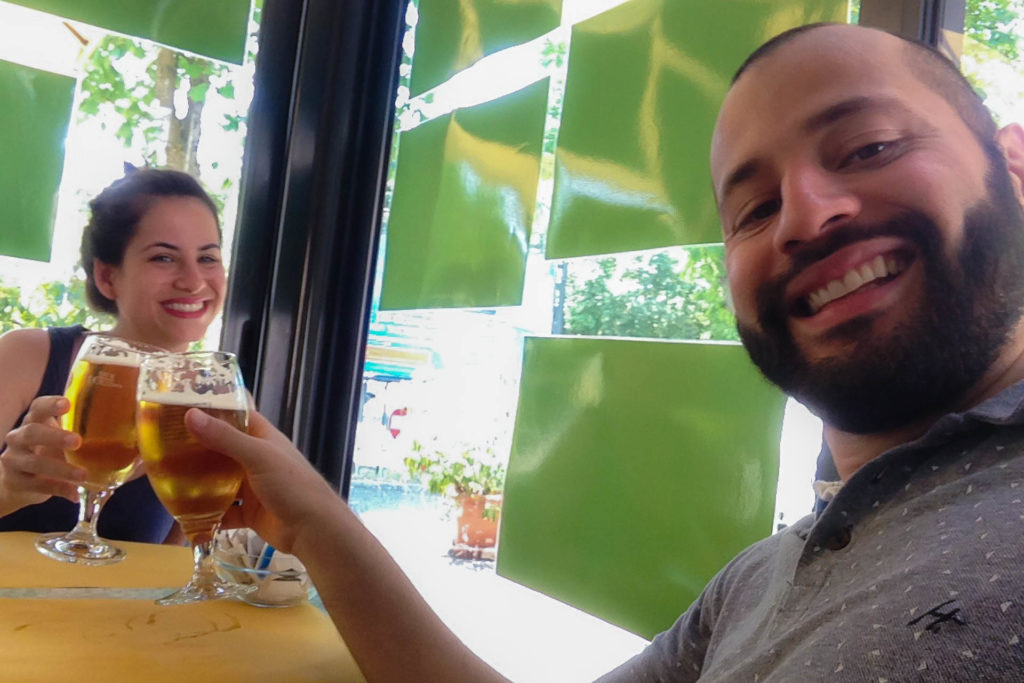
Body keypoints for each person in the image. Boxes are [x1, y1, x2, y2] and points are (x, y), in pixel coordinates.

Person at [106, 20, 1024, 681]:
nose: (807, 217)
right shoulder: (759, 579)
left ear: (1012, 167)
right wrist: (312, 520)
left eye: (867, 146)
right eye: (752, 208)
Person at [0, 168, 226, 544]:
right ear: (107, 277)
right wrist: (6, 490)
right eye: (163, 258)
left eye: (207, 258)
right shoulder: (26, 356)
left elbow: (175, 573)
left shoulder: (217, 403)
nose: (193, 281)